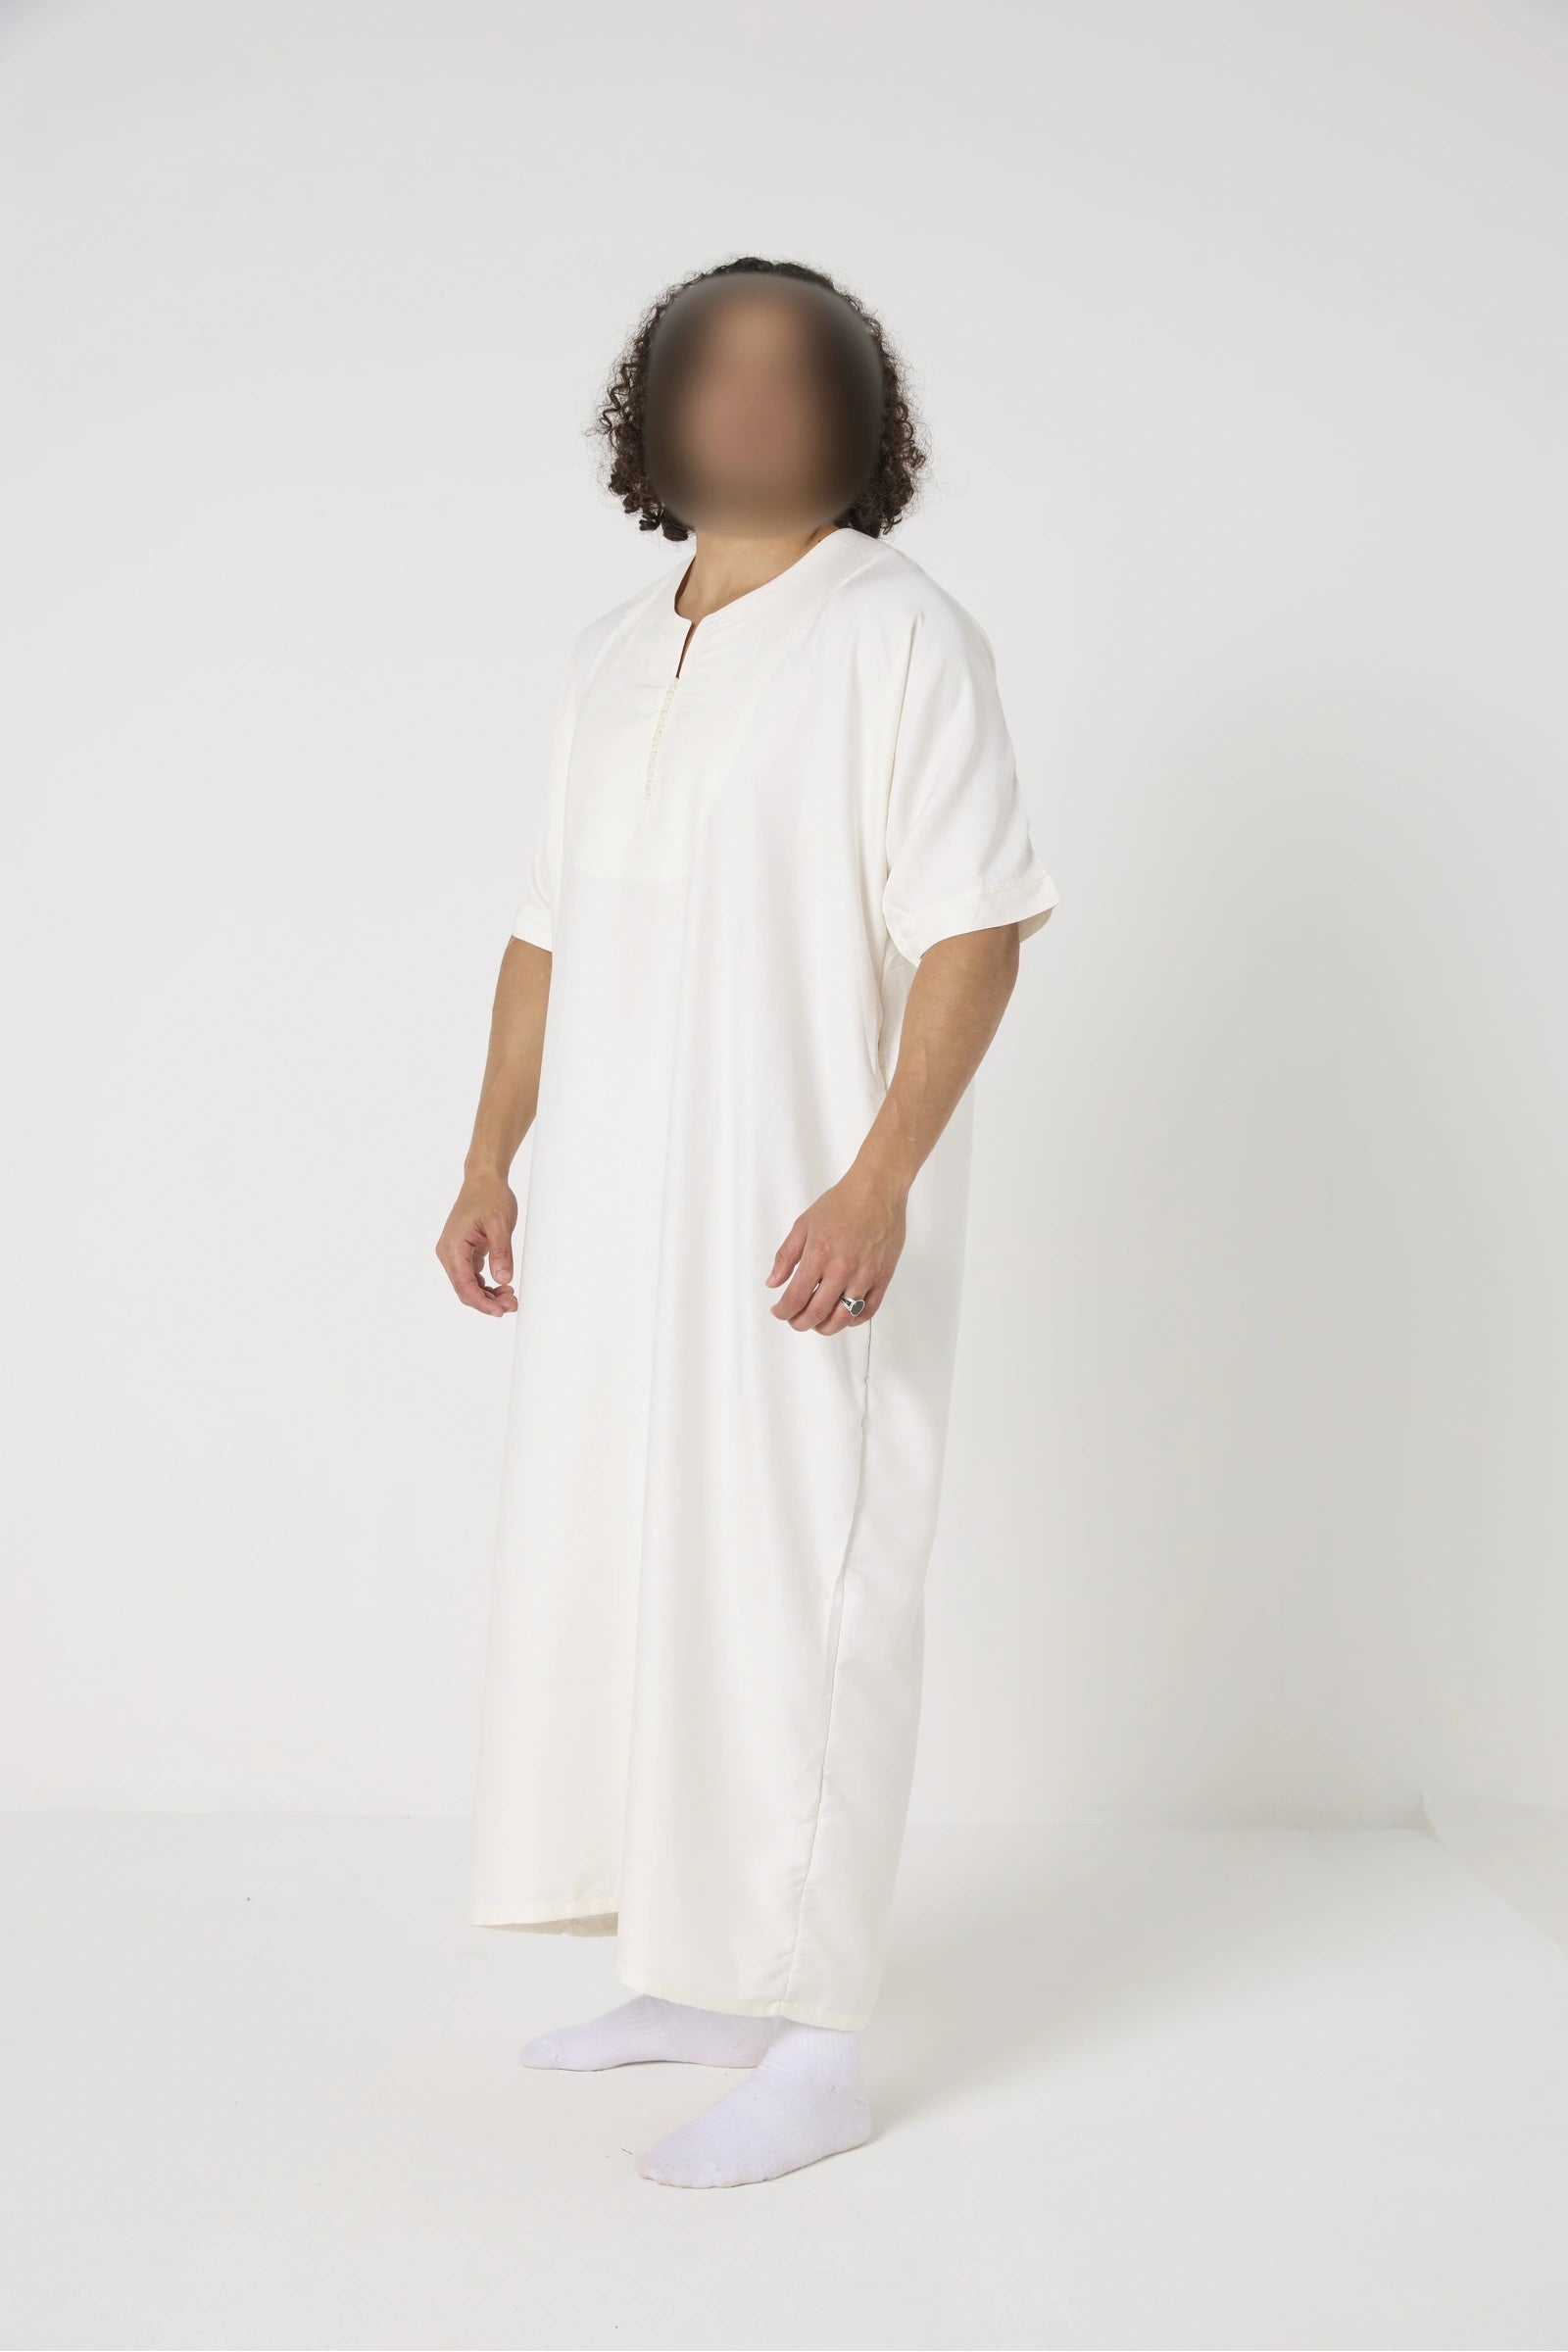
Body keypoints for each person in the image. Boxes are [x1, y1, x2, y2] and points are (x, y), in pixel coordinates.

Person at [436, 257, 1059, 2188]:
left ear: (862, 415)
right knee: (640, 1581)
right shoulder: (610, 653)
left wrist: (880, 1176)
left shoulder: (898, 634)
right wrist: (490, 1158)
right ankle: (708, 1977)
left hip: (804, 1223)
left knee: (803, 1600)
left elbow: (974, 925)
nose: (754, 396)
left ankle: (822, 2046)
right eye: (715, 366)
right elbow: (545, 932)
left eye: (800, 369)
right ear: (655, 412)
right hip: (619, 1230)